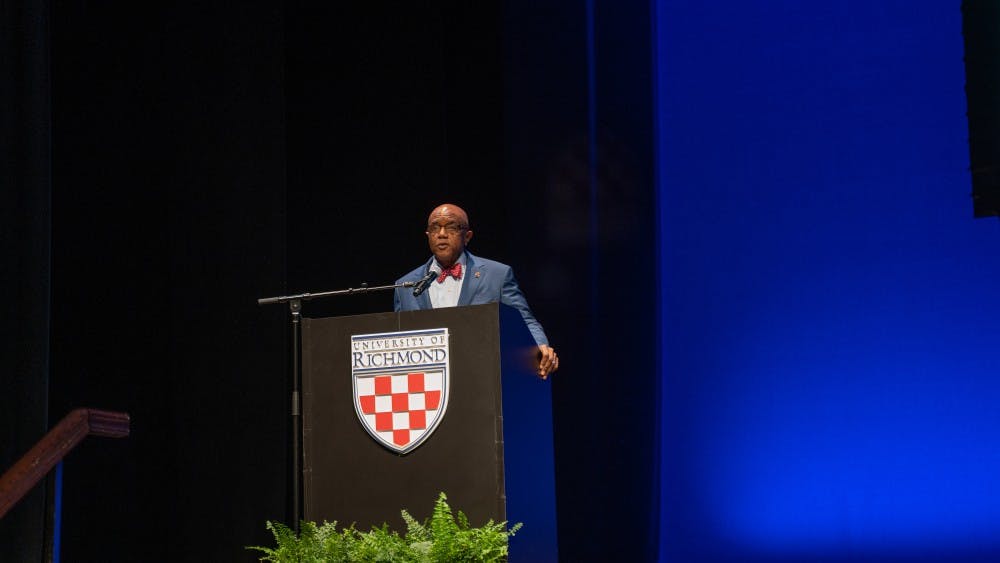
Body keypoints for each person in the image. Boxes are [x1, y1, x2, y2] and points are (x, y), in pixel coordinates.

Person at [394, 203, 559, 379]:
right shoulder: (405, 285)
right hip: (427, 380)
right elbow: (398, 338)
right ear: (428, 235)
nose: (442, 234)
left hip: (482, 377)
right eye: (435, 228)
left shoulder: (497, 276)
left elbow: (524, 319)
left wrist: (540, 345)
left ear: (467, 236)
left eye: (451, 227)